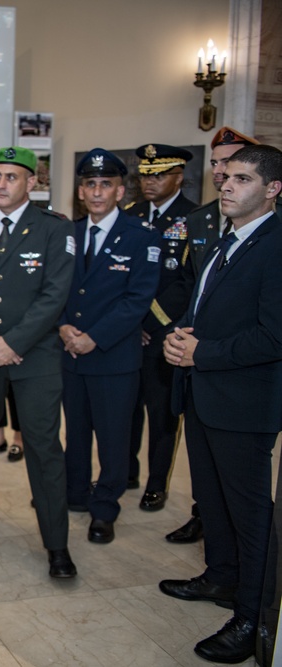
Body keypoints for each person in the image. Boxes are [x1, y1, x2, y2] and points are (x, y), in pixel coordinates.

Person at [159, 144, 282, 665]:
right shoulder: (226, 240)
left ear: (273, 189)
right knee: (213, 502)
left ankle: (253, 615)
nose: (227, 186)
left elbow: (274, 337)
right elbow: (207, 310)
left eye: (243, 179)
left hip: (244, 404)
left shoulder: (275, 245)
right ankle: (221, 578)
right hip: (206, 395)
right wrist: (179, 336)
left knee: (250, 514)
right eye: (225, 176)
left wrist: (202, 352)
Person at [0, 146, 77, 578]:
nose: (2, 184)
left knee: (44, 448)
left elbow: (54, 295)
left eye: (11, 177)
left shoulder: (53, 230)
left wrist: (14, 341)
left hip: (36, 357)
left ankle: (57, 545)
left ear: (32, 182)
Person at [61, 148, 160, 544]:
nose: (97, 191)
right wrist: (64, 327)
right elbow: (55, 291)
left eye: (106, 184)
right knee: (77, 433)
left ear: (120, 191)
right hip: (70, 354)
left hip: (113, 357)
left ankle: (105, 508)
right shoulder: (67, 235)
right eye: (90, 184)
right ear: (81, 191)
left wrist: (93, 337)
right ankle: (76, 493)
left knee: (114, 437)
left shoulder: (142, 237)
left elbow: (137, 300)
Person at [166, 127, 259, 545]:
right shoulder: (202, 219)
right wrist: (176, 334)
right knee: (204, 466)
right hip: (196, 367)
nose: (221, 172)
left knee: (243, 490)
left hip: (241, 371)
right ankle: (205, 522)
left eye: (233, 164)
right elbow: (191, 288)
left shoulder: (268, 230)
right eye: (217, 163)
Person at [124, 144, 198, 511]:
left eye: (159, 175)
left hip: (166, 335)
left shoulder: (195, 219)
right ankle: (127, 470)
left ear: (178, 177)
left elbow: (189, 282)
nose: (149, 182)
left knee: (162, 413)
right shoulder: (131, 214)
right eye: (144, 175)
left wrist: (148, 321)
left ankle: (156, 482)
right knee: (127, 407)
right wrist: (129, 321)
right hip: (127, 333)